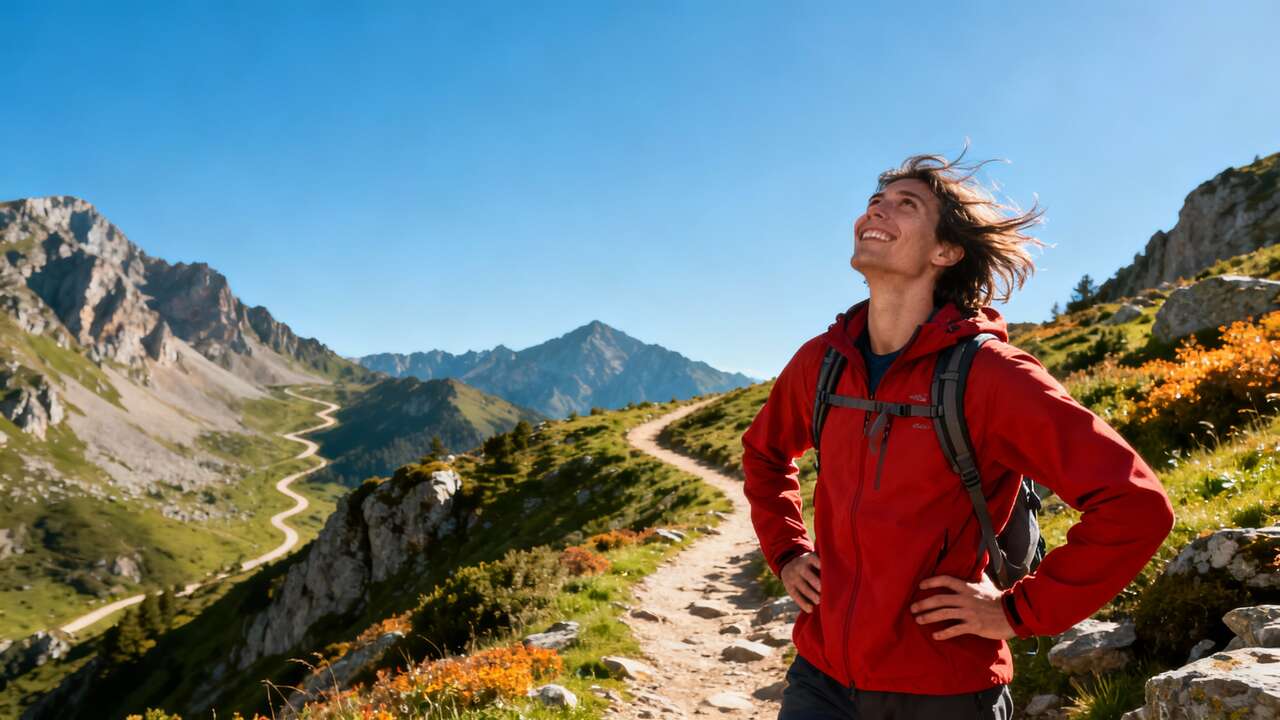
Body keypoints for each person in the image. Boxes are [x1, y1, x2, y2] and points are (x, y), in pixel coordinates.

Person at [740, 149, 1175, 719]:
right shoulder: (822, 362)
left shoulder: (992, 376)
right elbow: (764, 454)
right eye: (876, 200)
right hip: (820, 680)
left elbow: (1136, 505)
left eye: (906, 204)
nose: (877, 209)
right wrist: (788, 551)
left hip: (945, 692)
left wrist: (1017, 613)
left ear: (945, 251)